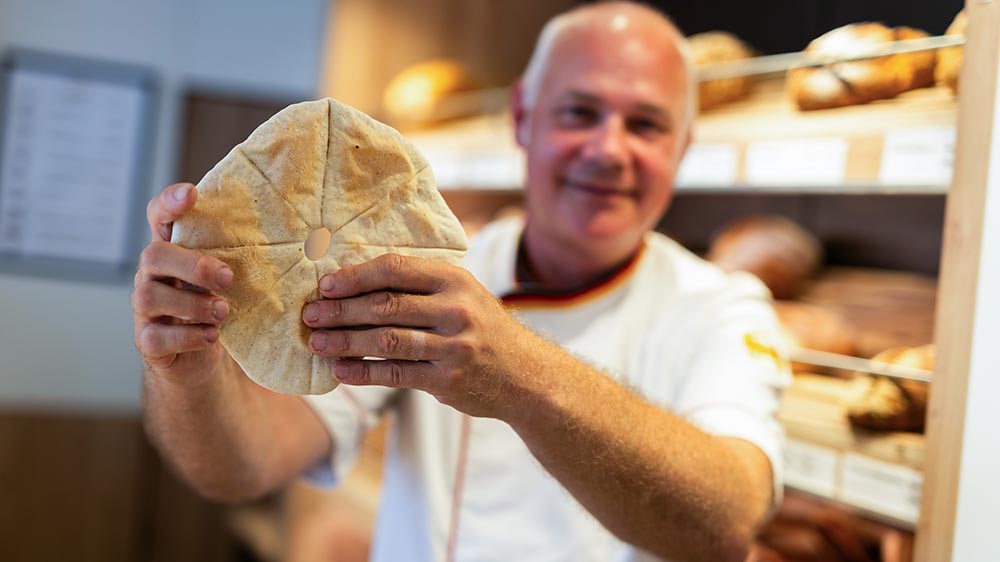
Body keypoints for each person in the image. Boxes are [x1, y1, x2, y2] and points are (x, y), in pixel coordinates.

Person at [133, 2, 790, 561]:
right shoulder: (419, 270)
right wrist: (187, 370)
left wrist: (517, 373)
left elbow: (728, 521)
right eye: (579, 112)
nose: (608, 149)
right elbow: (243, 465)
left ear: (683, 146)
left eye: (645, 123)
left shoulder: (722, 307)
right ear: (522, 120)